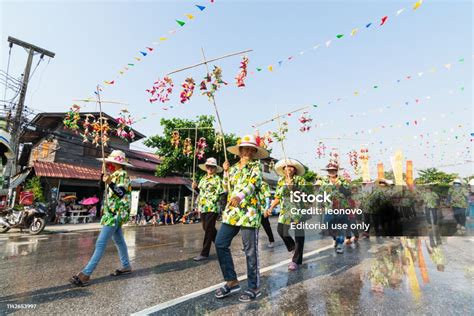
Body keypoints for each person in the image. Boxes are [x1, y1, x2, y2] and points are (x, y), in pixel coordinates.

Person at [214, 134, 268, 302]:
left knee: (250, 251)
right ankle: (231, 281)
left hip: (249, 213)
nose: (249, 152)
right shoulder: (234, 167)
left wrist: (240, 196)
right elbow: (225, 188)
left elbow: (253, 184)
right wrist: (225, 172)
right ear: (239, 151)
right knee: (220, 243)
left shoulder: (256, 166)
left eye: (252, 150)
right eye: (246, 149)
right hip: (232, 213)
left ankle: (254, 287)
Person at [70, 150, 133, 287]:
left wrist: (109, 182)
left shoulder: (122, 175)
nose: (109, 164)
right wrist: (103, 177)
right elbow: (101, 189)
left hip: (114, 213)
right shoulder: (114, 175)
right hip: (112, 213)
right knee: (119, 240)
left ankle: (86, 273)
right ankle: (126, 265)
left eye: (111, 162)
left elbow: (121, 193)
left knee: (100, 243)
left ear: (116, 163)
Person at [266, 158, 307, 270]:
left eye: (291, 167)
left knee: (299, 235)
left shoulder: (300, 180)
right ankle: (293, 247)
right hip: (285, 211)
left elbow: (304, 195)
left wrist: (292, 188)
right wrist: (271, 207)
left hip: (298, 211)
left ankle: (296, 261)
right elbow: (278, 196)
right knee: (281, 230)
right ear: (283, 170)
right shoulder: (280, 181)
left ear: (295, 170)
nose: (288, 169)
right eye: (286, 167)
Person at [193, 157, 224, 261]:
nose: (210, 168)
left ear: (215, 168)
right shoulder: (203, 178)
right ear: (206, 167)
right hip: (203, 207)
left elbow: (222, 194)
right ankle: (221, 245)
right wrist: (196, 187)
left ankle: (204, 253)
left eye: (212, 167)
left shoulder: (218, 179)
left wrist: (223, 208)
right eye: (208, 166)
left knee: (208, 229)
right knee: (207, 228)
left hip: (213, 207)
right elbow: (200, 192)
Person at [319, 159, 351, 254]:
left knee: (340, 226)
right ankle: (335, 238)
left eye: (333, 170)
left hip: (341, 207)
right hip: (329, 207)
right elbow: (321, 194)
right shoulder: (324, 181)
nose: (331, 172)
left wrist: (340, 187)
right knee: (328, 225)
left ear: (337, 170)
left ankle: (340, 244)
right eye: (329, 170)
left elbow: (348, 193)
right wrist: (320, 204)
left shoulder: (343, 180)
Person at [259, 181, 275, 248]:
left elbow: (267, 197)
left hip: (262, 210)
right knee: (253, 228)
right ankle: (250, 244)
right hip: (253, 210)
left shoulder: (263, 184)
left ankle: (271, 241)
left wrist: (266, 208)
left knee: (266, 227)